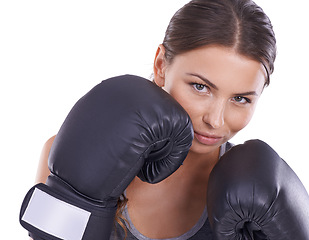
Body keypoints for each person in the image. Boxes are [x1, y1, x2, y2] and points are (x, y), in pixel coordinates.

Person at [32, 0, 278, 239]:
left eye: (241, 99)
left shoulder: (260, 195)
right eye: (200, 87)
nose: (215, 120)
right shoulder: (66, 156)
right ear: (161, 65)